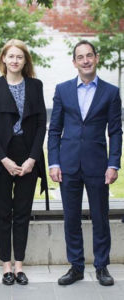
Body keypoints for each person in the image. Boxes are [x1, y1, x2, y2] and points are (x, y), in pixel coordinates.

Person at [48, 40, 122, 286]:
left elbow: (116, 132)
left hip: (98, 165)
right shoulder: (63, 89)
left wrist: (114, 164)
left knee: (100, 216)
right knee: (71, 218)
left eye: (89, 55)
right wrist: (53, 162)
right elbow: (54, 129)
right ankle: (76, 266)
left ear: (96, 58)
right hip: (68, 164)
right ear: (74, 62)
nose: (86, 60)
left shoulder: (111, 92)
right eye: (81, 57)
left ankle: (102, 266)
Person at [0, 39, 48, 286]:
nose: (15, 60)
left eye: (19, 57)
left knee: (22, 212)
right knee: (3, 213)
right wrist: (4, 159)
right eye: (10, 56)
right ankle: (5, 267)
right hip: (1, 156)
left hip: (28, 154)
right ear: (3, 60)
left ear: (25, 61)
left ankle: (19, 266)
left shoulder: (35, 85)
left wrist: (32, 158)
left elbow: (42, 124)